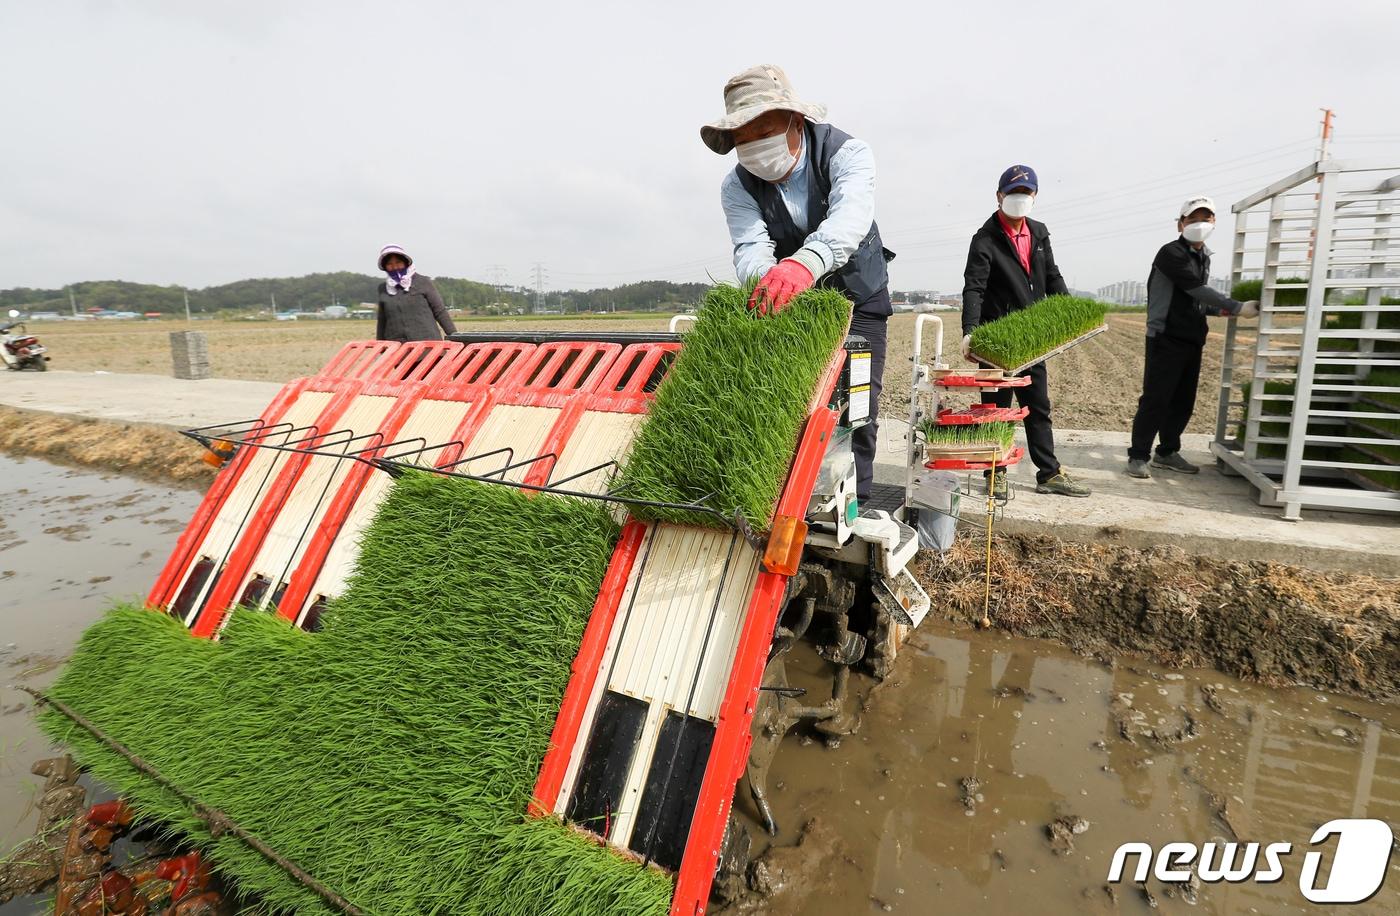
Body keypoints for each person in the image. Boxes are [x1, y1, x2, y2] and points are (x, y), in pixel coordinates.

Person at [702, 64, 894, 504]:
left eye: (763, 131)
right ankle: (796, 503)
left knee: (857, 404)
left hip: (860, 294)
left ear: (795, 119)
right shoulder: (737, 186)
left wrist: (803, 266)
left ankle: (856, 504)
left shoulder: (847, 153)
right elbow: (750, 246)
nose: (754, 147)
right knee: (792, 401)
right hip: (793, 303)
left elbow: (849, 219)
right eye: (743, 140)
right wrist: (768, 282)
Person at [961, 165, 1089, 499]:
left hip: (1033, 339)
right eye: (1013, 192)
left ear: (1034, 196)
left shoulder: (1039, 232)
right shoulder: (985, 238)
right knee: (996, 411)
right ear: (999, 196)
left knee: (1038, 407)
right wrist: (970, 331)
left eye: (1026, 193)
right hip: (997, 341)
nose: (1020, 198)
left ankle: (1049, 474)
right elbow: (974, 287)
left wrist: (1071, 310)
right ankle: (995, 473)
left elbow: (1053, 274)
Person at [1126, 197, 1258, 478]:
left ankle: (1167, 452)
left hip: (1191, 338)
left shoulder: (1203, 256)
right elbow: (1195, 289)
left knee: (1183, 401)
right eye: (1192, 219)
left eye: (1205, 219)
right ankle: (1138, 455)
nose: (1199, 224)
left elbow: (1196, 301)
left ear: (1214, 223)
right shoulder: (1170, 253)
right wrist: (1237, 307)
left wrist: (1223, 311)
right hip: (1165, 337)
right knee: (1156, 398)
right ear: (1180, 224)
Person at [374, 245, 457, 342]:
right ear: (385, 267)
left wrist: (456, 338)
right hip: (397, 346)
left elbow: (440, 312)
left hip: (427, 344)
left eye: (398, 262)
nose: (395, 267)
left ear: (405, 263)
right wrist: (380, 345)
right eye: (389, 264)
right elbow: (382, 320)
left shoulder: (423, 282)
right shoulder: (383, 288)